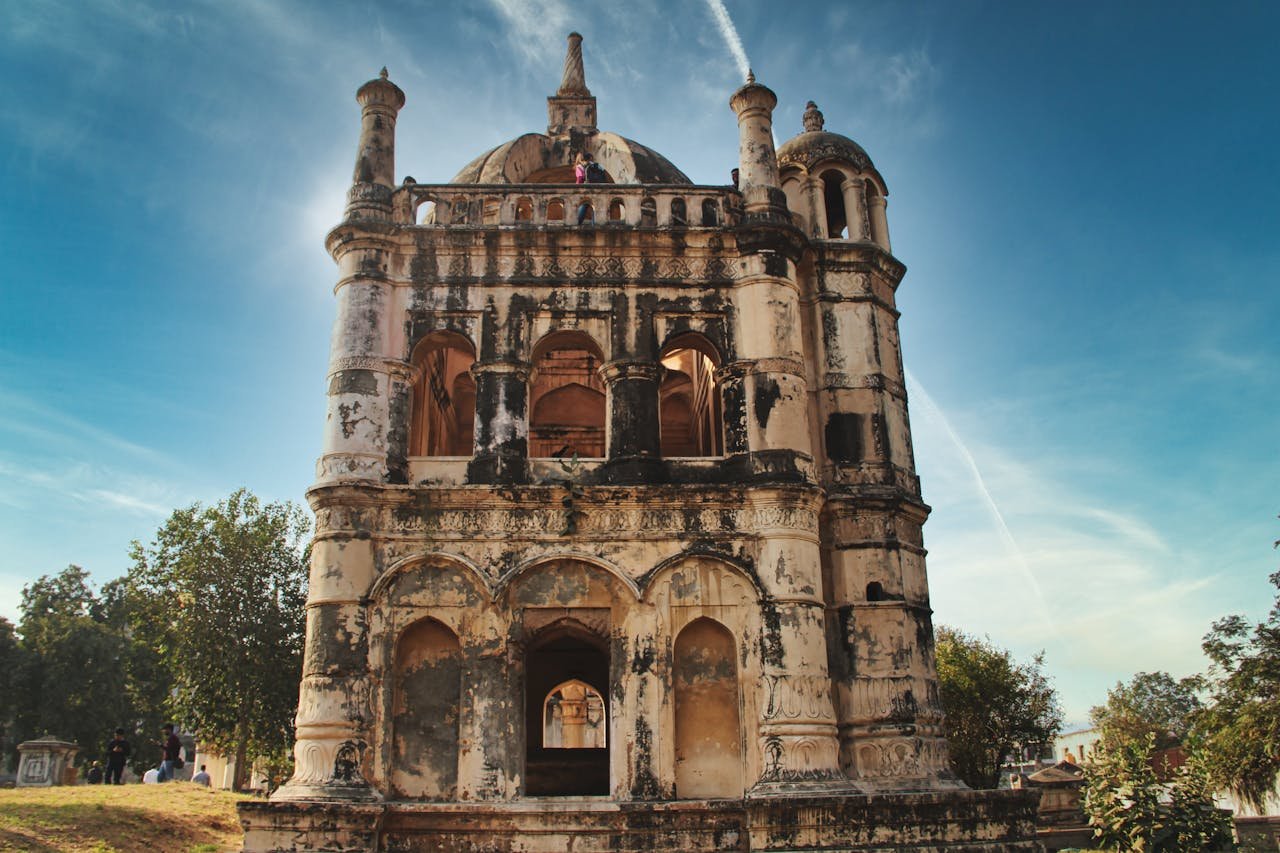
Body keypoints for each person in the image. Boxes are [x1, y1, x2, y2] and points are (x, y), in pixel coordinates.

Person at [574, 152, 594, 225]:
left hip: (585, 189)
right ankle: (594, 223)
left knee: (583, 204)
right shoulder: (595, 165)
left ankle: (578, 222)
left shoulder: (579, 167)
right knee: (595, 206)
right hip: (596, 188)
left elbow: (580, 178)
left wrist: (576, 188)